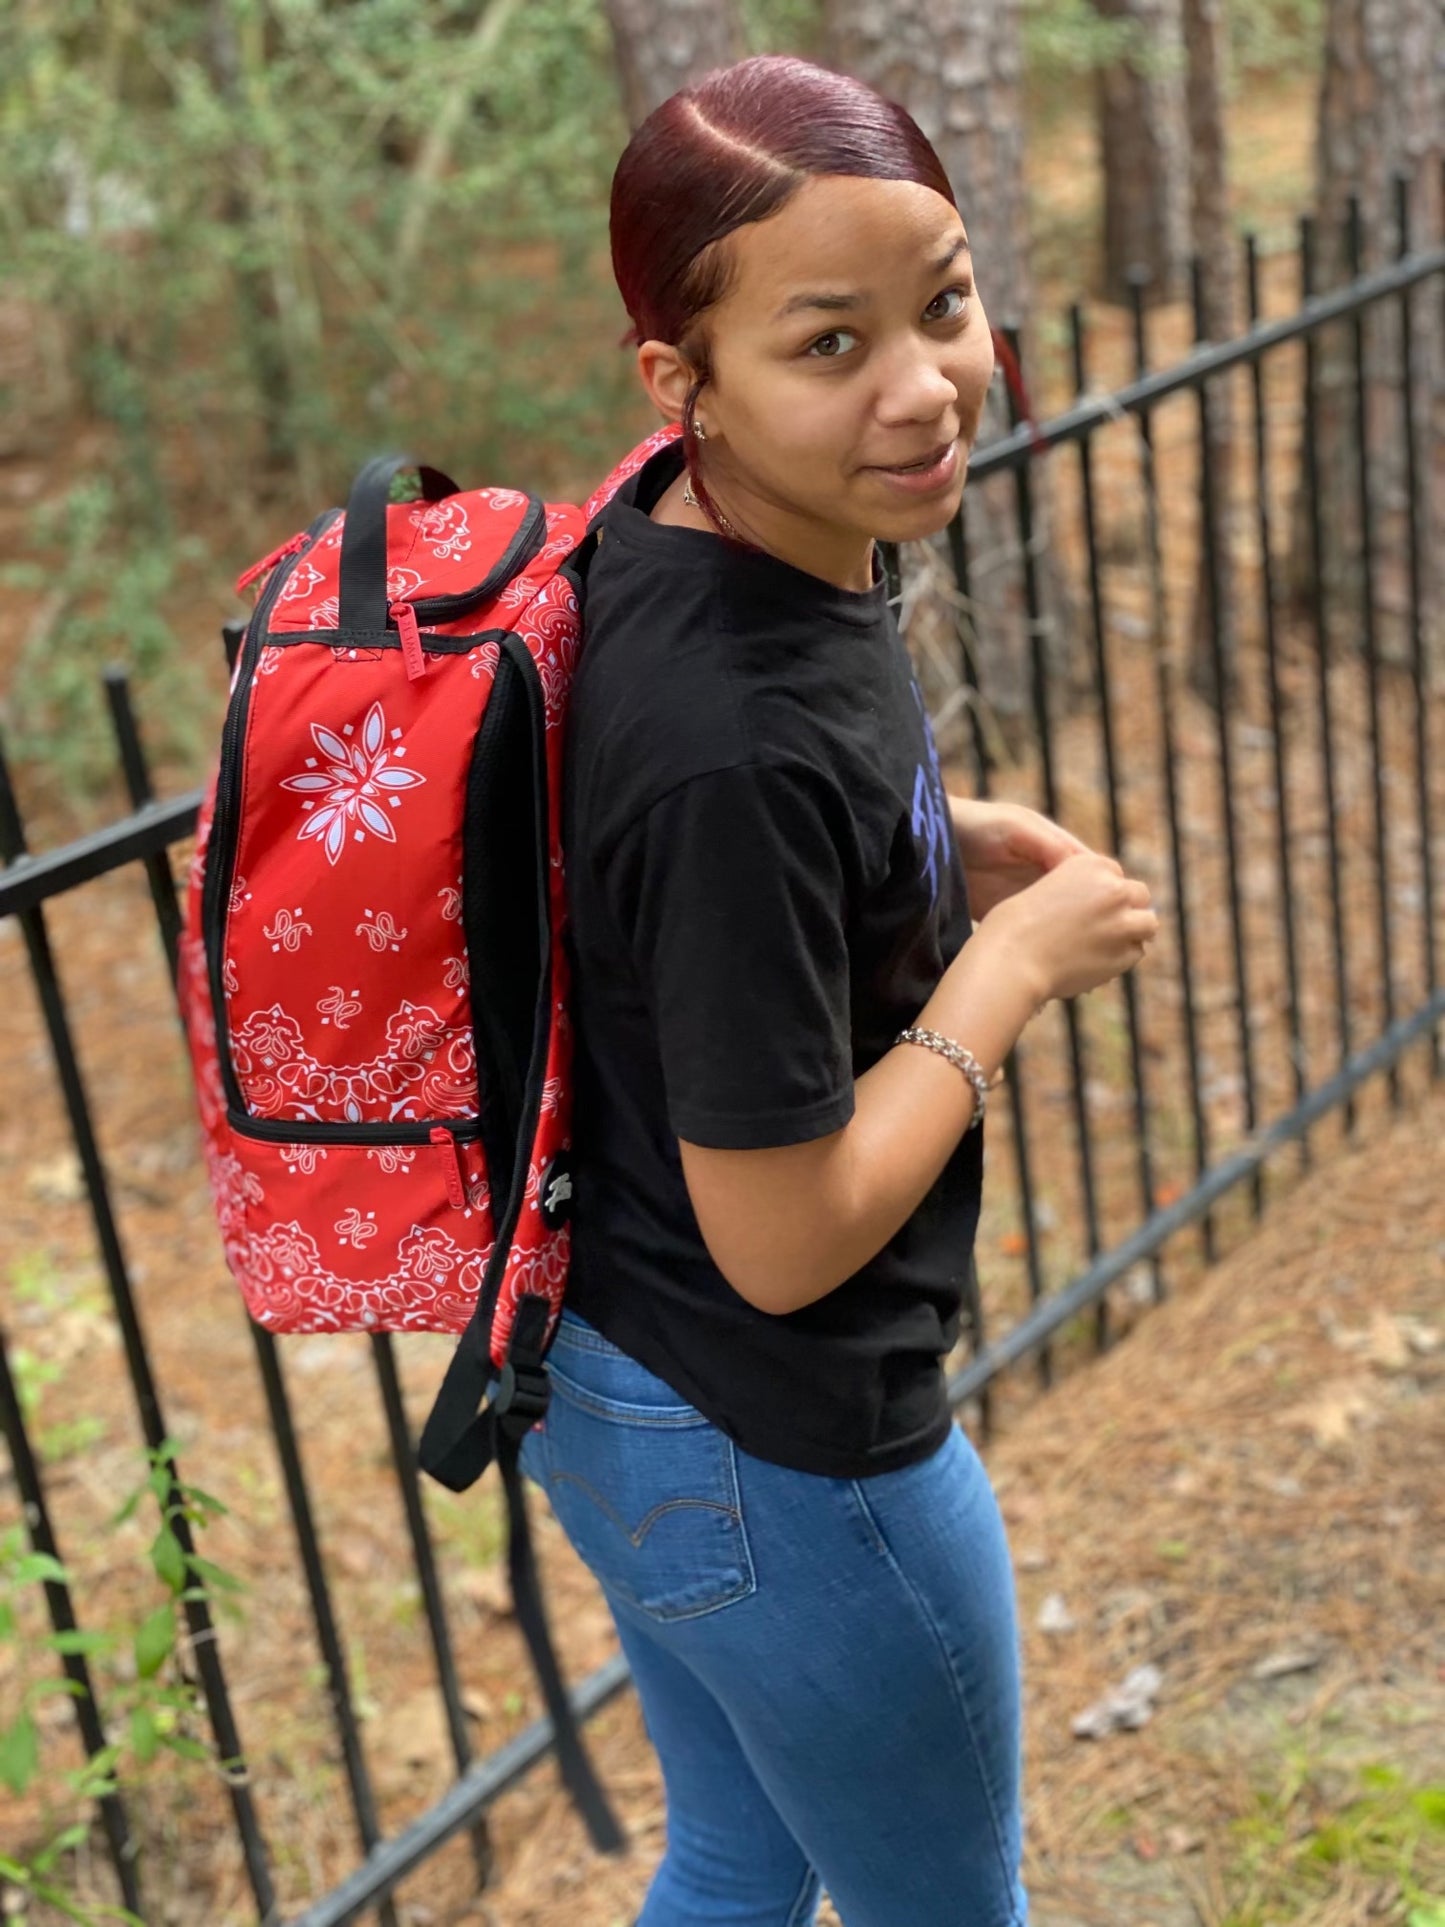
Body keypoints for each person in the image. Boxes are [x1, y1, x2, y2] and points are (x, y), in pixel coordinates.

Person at [516, 52, 1159, 1927]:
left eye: (942, 303)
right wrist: (1001, 973)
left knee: (738, 1857)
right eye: (827, 345)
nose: (924, 387)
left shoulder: (687, 535)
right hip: (779, 1445)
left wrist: (925, 852)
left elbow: (673, 913)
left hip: (611, 1382)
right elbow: (784, 1238)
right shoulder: (737, 739)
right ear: (682, 382)